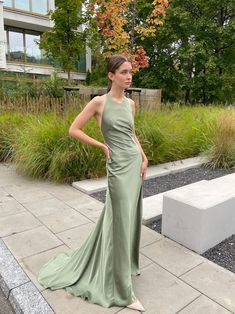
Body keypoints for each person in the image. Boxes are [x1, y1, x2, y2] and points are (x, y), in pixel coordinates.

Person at [37, 54, 148, 312]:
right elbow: (73, 129)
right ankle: (122, 290)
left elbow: (132, 134)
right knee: (119, 220)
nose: (129, 76)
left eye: (130, 71)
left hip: (133, 165)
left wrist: (143, 158)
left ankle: (125, 266)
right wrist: (101, 145)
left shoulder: (131, 104)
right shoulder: (99, 102)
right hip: (117, 169)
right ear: (111, 75)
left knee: (128, 218)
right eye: (123, 72)